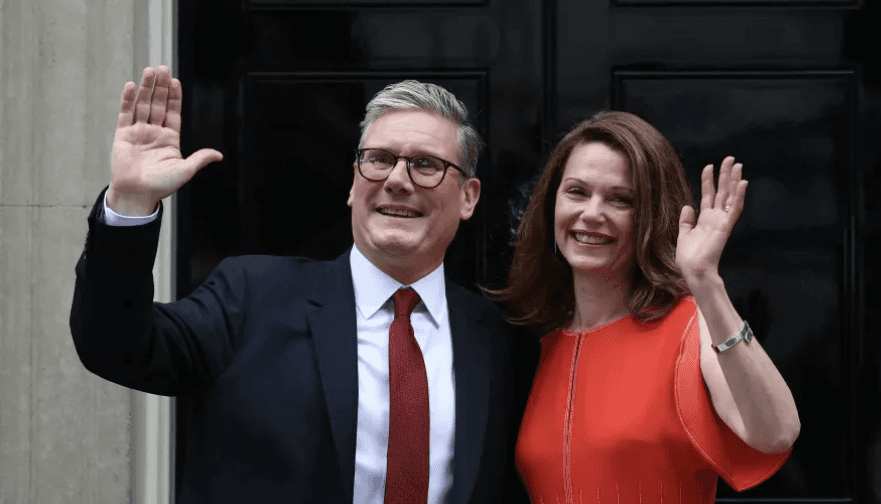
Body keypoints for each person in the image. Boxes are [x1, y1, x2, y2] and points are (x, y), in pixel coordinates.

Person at [70, 65, 536, 504]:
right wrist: (130, 203)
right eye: (378, 159)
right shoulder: (251, 296)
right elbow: (114, 346)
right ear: (355, 183)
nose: (397, 180)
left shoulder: (499, 340)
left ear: (469, 197)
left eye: (427, 165)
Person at [490, 111, 801, 503]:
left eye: (620, 199)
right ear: (552, 202)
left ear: (649, 217)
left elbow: (776, 433)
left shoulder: (689, 326)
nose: (591, 213)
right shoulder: (537, 342)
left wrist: (705, 281)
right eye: (577, 192)